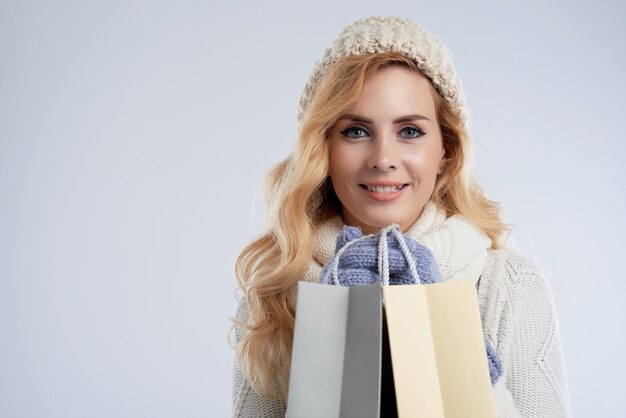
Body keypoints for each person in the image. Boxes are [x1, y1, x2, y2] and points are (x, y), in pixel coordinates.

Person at [230, 16, 571, 417]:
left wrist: (449, 341)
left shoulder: (510, 285)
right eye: (356, 131)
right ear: (323, 148)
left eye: (409, 131)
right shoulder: (276, 290)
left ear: (446, 150)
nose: (383, 160)